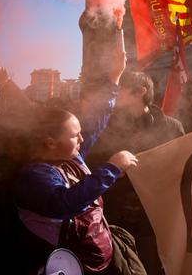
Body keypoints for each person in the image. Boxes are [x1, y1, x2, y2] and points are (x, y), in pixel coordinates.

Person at [13, 51, 143, 274]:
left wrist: (115, 78)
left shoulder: (71, 157)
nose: (82, 140)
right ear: (50, 143)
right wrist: (110, 169)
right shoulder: (33, 177)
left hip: (103, 260)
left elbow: (97, 121)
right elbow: (64, 203)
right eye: (75, 135)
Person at [87, 71, 184, 275]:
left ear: (140, 91)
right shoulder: (108, 127)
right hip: (117, 217)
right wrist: (112, 167)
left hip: (154, 218)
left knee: (152, 266)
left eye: (120, 89)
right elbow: (91, 163)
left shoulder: (171, 127)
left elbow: (181, 169)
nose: (114, 94)